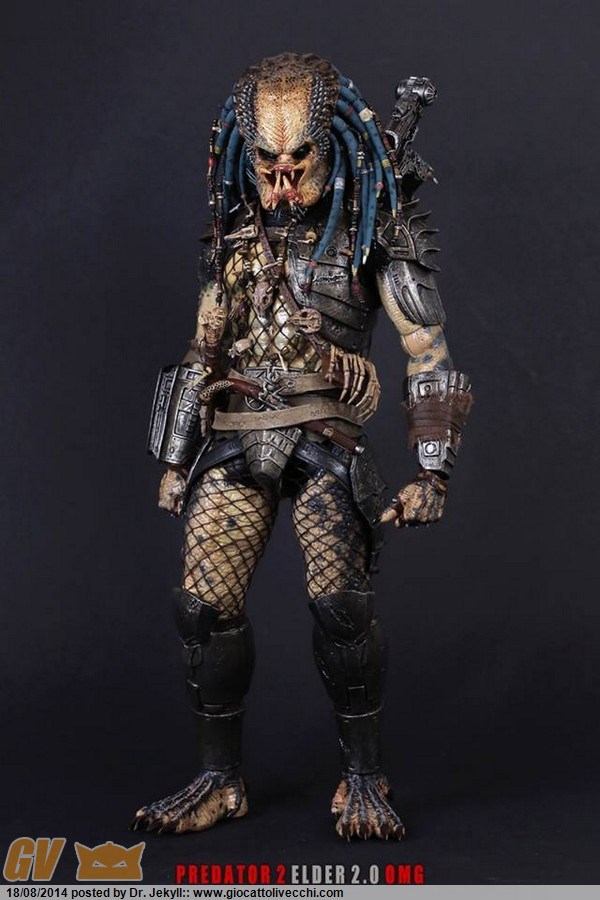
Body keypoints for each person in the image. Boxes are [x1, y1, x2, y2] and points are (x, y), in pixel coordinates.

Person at [133, 52, 472, 840]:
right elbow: (203, 347)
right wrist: (175, 458)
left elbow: (426, 350)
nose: (283, 183)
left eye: (300, 163)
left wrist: (433, 473)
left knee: (341, 609)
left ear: (337, 147)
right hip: (235, 433)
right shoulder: (233, 234)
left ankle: (365, 778)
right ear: (243, 154)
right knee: (202, 607)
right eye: (267, 165)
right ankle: (220, 780)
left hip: (326, 437)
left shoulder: (374, 229)